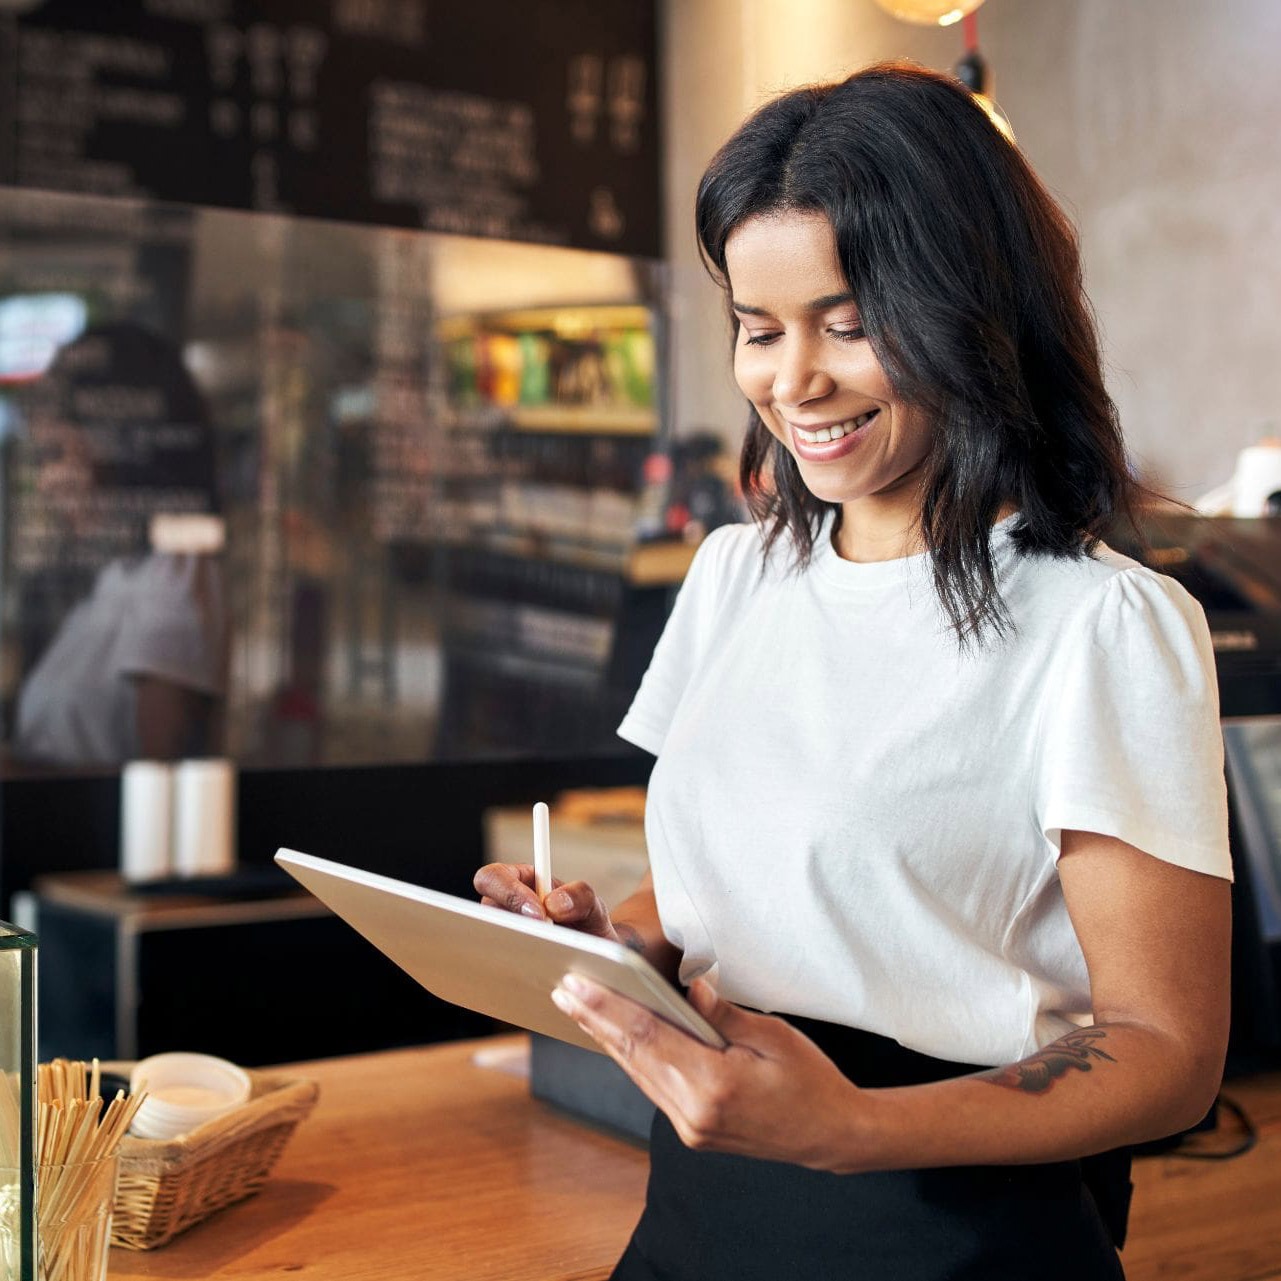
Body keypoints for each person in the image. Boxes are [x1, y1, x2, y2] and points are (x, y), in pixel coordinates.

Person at [475, 63, 1231, 1280]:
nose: (795, 382)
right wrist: (607, 946)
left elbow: (1169, 1048)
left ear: (973, 310)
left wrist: (858, 1130)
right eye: (759, 331)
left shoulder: (1105, 625)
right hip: (700, 1204)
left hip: (951, 1227)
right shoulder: (734, 575)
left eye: (850, 323)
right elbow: (730, 893)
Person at [10, 322, 227, 767]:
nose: (47, 483)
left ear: (121, 449)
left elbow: (158, 787)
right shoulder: (116, 574)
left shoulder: (176, 571)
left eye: (55, 455)